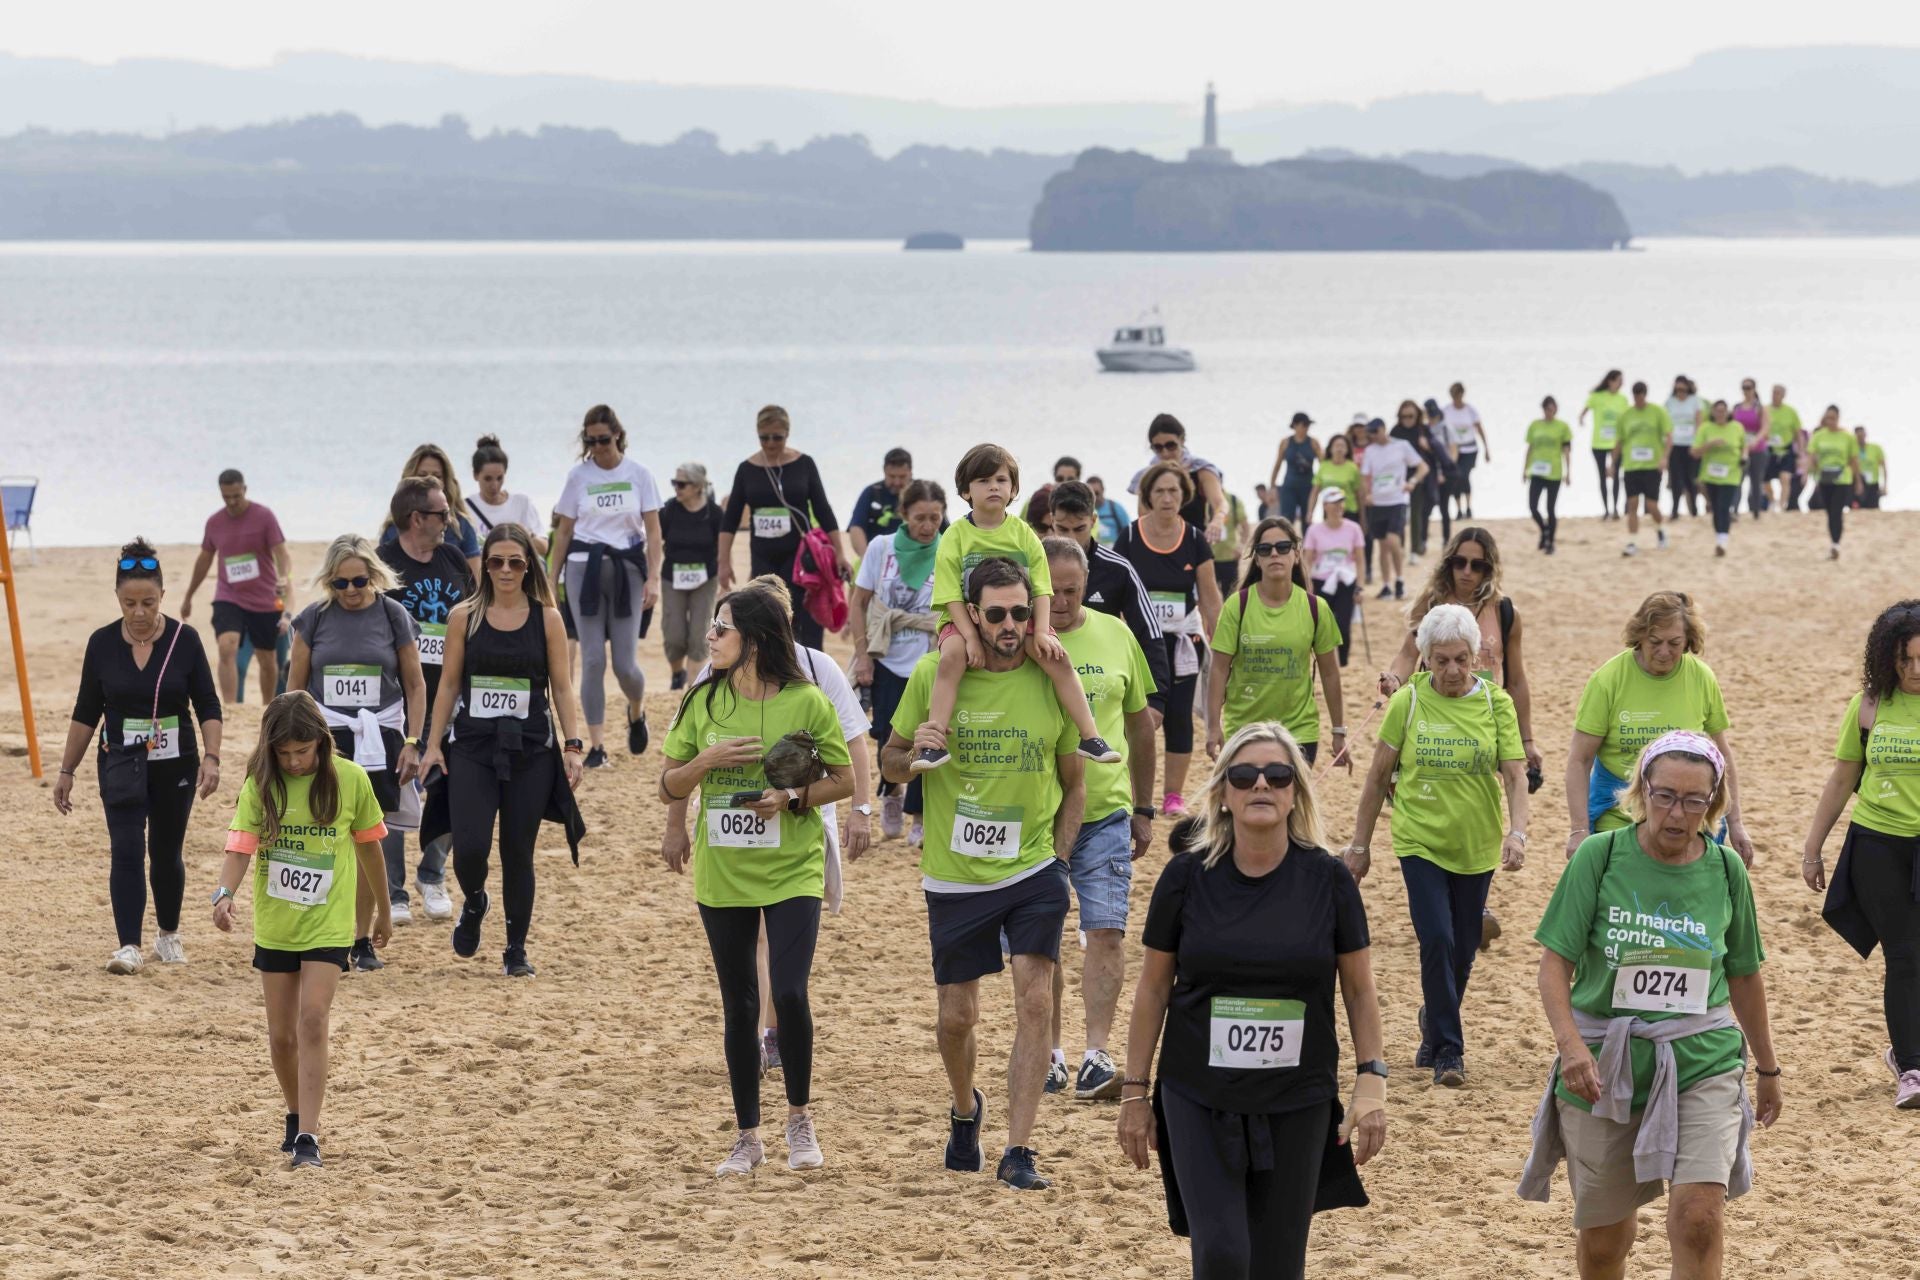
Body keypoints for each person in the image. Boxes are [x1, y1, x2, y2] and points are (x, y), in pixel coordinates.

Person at [1118, 724, 1386, 1280]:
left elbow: (1359, 989)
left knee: (1277, 1264)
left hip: (1298, 1095)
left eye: (1277, 774)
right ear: (1223, 793)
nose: (1260, 785)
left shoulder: (1330, 881)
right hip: (1197, 1089)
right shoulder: (1185, 878)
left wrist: (1371, 1080)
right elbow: (1151, 988)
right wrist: (1134, 1092)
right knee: (1220, 1254)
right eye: (1244, 776)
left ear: (1295, 791)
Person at [1520, 731, 1781, 1280]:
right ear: (1641, 791)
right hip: (1603, 1065)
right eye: (1664, 795)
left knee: (1698, 1220)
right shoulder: (1600, 855)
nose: (1677, 813)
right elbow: (1553, 963)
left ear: (1714, 803)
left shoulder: (1727, 870)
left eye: (1694, 800)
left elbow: (1745, 975)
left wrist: (1767, 1067)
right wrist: (1570, 1047)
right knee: (1604, 1244)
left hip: (1703, 1060)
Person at [879, 557, 1088, 1191]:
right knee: (957, 1017)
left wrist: (1060, 857)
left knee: (1033, 1002)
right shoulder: (934, 675)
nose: (1010, 625)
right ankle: (965, 1109)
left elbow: (1074, 781)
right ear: (971, 615)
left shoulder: (1051, 677)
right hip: (955, 874)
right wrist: (913, 757)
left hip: (1032, 870)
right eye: (995, 613)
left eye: (1021, 613)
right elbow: (887, 763)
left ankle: (1018, 1151)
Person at [660, 586, 855, 1176]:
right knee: (740, 1003)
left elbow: (843, 780)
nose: (711, 639)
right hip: (724, 872)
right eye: (712, 630)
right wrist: (705, 764)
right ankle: (747, 1137)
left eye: (721, 630)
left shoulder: (807, 701)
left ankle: (799, 1118)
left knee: (790, 992)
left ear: (756, 640)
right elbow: (670, 784)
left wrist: (793, 796)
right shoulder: (703, 700)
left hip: (792, 867)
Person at [210, 691, 393, 1169]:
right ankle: (293, 1116)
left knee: (312, 1018)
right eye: (284, 753)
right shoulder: (260, 784)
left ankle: (309, 1136)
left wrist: (383, 912)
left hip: (329, 924)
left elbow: (372, 848)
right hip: (277, 925)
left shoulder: (350, 780)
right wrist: (223, 894)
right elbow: (240, 846)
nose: (294, 761)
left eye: (302, 751)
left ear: (322, 744)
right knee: (280, 1037)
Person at [1348, 604, 1529, 1085]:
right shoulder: (1407, 702)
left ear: (1476, 658)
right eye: (1442, 660)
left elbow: (1514, 774)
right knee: (1438, 938)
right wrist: (1360, 846)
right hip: (1418, 839)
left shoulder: (1496, 704)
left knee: (1465, 947)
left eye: (1462, 659)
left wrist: (1518, 832)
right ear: (1425, 658)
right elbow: (1377, 777)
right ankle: (1450, 1051)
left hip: (1476, 843)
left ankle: (1433, 1022)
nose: (1452, 670)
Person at [705, 574, 873, 1075]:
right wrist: (677, 821)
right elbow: (689, 745)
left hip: (801, 816)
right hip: (730, 820)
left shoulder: (819, 669)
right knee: (754, 934)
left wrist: (861, 809)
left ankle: (777, 1029)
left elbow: (854, 743)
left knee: (784, 941)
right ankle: (760, 1035)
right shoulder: (716, 669)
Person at [418, 524, 587, 978]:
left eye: (515, 561)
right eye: (497, 561)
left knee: (518, 851)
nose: (506, 570)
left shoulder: (547, 618)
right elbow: (449, 685)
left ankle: (515, 948)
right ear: (485, 566)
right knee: (470, 848)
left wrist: (573, 745)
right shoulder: (463, 616)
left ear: (528, 565)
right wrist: (432, 745)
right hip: (472, 745)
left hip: (530, 747)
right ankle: (475, 902)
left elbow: (563, 688)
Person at [54, 539, 222, 974]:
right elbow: (86, 711)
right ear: (118, 599)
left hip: (176, 763)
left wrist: (212, 757)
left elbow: (208, 704)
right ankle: (127, 945)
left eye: (148, 601)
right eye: (130, 603)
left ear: (163, 596)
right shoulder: (102, 643)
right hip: (120, 763)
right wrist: (66, 770)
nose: (140, 612)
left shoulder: (187, 641)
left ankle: (168, 935)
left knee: (166, 850)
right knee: (126, 848)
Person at [910, 444, 1115, 774]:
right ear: (965, 491)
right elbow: (950, 595)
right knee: (950, 659)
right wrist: (972, 639)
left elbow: (1042, 587)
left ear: (1014, 489)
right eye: (984, 480)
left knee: (1059, 660)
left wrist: (1045, 631)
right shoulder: (955, 536)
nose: (994, 486)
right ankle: (934, 743)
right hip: (965, 619)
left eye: (1001, 480)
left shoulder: (1024, 534)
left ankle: (1090, 736)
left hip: (1017, 618)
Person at [1044, 537, 1159, 1100]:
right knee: (1039, 937)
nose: (1062, 601)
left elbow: (1140, 726)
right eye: (1053, 591)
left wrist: (1143, 807)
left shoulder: (1117, 634)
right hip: (1037, 812)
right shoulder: (1017, 641)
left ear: (1087, 584)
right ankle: (1050, 1054)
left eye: (1072, 590)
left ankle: (1095, 1053)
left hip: (1107, 809)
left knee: (1106, 930)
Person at [286, 535, 425, 967]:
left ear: (374, 576)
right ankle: (321, 936)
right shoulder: (312, 619)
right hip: (324, 736)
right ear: (329, 581)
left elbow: (416, 685)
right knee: (320, 838)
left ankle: (361, 940)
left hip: (378, 737)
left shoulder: (393, 615)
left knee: (367, 837)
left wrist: (413, 742)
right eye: (341, 583)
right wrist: (285, 747)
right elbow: (294, 690)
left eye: (360, 581)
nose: (351, 591)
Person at [1803, 601, 1920, 1107]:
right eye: (1904, 660)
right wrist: (1813, 848)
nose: (1915, 670)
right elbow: (1843, 777)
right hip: (1877, 840)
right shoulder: (1870, 705)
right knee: (1904, 953)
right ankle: (1912, 1068)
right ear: (1886, 658)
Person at [1566, 591, 1756, 866]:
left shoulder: (1701, 677)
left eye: (1675, 643)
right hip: (1620, 814)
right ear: (1639, 635)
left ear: (1689, 640)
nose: (1664, 652)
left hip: (1688, 818)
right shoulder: (1607, 680)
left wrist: (1735, 822)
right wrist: (1579, 829)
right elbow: (1579, 760)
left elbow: (1722, 757)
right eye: (1654, 642)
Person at [377, 476, 473, 922]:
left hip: (451, 699)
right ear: (417, 518)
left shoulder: (453, 558)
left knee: (451, 788)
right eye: (441, 513)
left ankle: (431, 874)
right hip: (398, 702)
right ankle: (394, 890)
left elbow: (476, 616)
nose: (448, 520)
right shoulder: (383, 566)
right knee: (396, 794)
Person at [550, 405, 664, 768]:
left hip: (627, 570)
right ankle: (596, 746)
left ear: (617, 434)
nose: (597, 446)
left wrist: (654, 577)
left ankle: (636, 710)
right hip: (585, 570)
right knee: (593, 659)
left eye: (603, 439)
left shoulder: (639, 474)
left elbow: (654, 531)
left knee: (625, 665)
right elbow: (564, 531)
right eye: (591, 440)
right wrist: (552, 579)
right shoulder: (578, 477)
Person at [1118, 461, 1223, 817]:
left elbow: (1209, 597)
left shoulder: (1193, 538)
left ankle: (1173, 796)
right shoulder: (1130, 537)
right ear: (1147, 495)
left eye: (1174, 491)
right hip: (1140, 644)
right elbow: (1116, 592)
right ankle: (1135, 792)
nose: (1167, 497)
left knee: (1179, 716)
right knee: (1138, 717)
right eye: (1160, 491)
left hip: (1183, 641)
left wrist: (1220, 641)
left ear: (1184, 496)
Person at [850, 479, 945, 845]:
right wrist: (863, 657)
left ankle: (920, 816)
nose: (927, 526)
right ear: (904, 514)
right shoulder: (881, 547)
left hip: (929, 658)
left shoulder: (947, 549)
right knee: (887, 736)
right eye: (920, 517)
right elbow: (859, 603)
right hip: (886, 656)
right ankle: (891, 794)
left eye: (934, 518)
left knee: (929, 737)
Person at [1206, 517, 1345, 766]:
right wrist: (1213, 726)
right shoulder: (1237, 606)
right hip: (1244, 729)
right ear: (1257, 559)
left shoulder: (1316, 608)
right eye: (1264, 549)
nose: (1274, 554)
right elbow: (1218, 669)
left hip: (1299, 730)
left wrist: (1338, 731)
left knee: (1291, 804)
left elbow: (1331, 673)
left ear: (1296, 554)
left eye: (1282, 547)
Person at [719, 405, 850, 649]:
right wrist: (723, 562)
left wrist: (840, 553)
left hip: (801, 556)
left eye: (777, 437)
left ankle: (810, 674)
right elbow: (730, 520)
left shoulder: (804, 464)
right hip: (763, 557)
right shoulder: (746, 469)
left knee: (804, 619)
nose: (770, 443)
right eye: (764, 437)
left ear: (787, 434)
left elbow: (824, 510)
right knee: (767, 618)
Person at [1043, 480, 1172, 718]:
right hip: (1043, 678)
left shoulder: (1118, 569)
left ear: (1093, 521)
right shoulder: (1032, 565)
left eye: (1079, 529)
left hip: (1099, 682)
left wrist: (1156, 700)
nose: (1071, 538)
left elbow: (1149, 631)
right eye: (1063, 529)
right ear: (1051, 520)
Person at [182, 469, 293, 705]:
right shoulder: (214, 522)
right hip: (228, 595)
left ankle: (267, 706)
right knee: (226, 645)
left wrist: (284, 577)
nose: (232, 502)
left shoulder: (264, 517)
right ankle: (231, 707)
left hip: (264, 598)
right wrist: (189, 595)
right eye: (226, 497)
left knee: (267, 658)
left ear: (245, 489)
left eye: (236, 496)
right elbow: (204, 560)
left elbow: (282, 554)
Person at [661, 461, 727, 691]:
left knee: (700, 633)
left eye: (682, 484)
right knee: (674, 634)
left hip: (705, 579)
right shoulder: (669, 509)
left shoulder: (714, 513)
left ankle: (693, 688)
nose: (677, 488)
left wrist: (724, 572)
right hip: (673, 578)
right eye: (674, 483)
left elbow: (723, 545)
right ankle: (677, 673)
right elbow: (654, 537)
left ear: (698, 486)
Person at [379, 444, 483, 578]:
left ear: (445, 481)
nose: (429, 480)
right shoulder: (392, 530)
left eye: (437, 476)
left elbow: (477, 583)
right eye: (422, 475)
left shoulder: (462, 527)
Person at [1358, 417, 1428, 601]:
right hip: (1378, 502)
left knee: (1393, 540)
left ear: (1383, 429)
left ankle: (1400, 580)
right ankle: (1387, 585)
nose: (1372, 436)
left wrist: (1412, 482)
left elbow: (1422, 467)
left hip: (1397, 500)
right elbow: (1365, 476)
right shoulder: (1370, 451)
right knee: (1382, 545)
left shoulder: (1401, 446)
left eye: (1375, 432)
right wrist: (1367, 495)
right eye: (1370, 433)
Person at [1129, 414, 1228, 543]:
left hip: (1195, 543)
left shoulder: (1200, 470)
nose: (1165, 453)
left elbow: (1220, 503)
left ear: (1182, 440)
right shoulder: (1147, 476)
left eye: (1170, 445)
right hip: (1159, 544)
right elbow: (1143, 516)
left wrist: (1217, 520)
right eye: (1158, 448)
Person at [1301, 488, 1363, 667]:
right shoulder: (1314, 530)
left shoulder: (1354, 528)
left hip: (1345, 581)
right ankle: (1321, 660)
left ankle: (1342, 663)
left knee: (1343, 624)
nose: (1339, 506)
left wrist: (1359, 586)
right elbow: (1307, 559)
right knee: (1321, 624)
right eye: (1335, 502)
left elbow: (1359, 560)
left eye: (1341, 502)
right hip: (1321, 581)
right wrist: (1307, 584)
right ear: (1325, 506)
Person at [1613, 381, 1672, 557]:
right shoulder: (1626, 415)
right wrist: (1612, 463)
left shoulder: (1657, 412)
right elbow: (1619, 440)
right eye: (1636, 396)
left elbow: (1669, 436)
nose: (1638, 399)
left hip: (1652, 465)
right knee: (1632, 504)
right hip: (1631, 465)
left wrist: (1664, 458)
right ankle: (1632, 541)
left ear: (1645, 395)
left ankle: (1660, 530)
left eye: (1641, 396)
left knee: (1651, 505)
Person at [465, 435, 548, 557]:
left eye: (499, 478)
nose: (494, 485)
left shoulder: (522, 503)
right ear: (475, 475)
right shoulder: (465, 507)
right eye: (488, 479)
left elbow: (543, 548)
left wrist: (526, 535)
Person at [1806, 405, 1864, 560]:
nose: (1830, 421)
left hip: (1842, 478)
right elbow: (1811, 455)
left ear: (1838, 418)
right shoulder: (1818, 436)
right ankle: (1833, 541)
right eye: (1828, 418)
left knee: (1836, 511)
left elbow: (1853, 460)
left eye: (1833, 418)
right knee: (1829, 511)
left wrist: (1858, 480)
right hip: (1824, 478)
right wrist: (1809, 472)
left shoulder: (1847, 437)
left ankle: (1835, 544)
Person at [1692, 400, 1747, 558]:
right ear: (1713, 412)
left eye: (1724, 411)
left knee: (1724, 506)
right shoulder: (1706, 428)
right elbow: (1695, 452)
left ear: (1728, 412)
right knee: (1715, 507)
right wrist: (1710, 444)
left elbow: (1744, 445)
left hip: (1731, 474)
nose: (1721, 414)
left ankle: (1723, 540)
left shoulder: (1737, 427)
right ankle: (1719, 538)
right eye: (1718, 411)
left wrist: (1744, 456)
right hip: (1711, 475)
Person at [1524, 396, 1574, 554]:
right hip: (1537, 471)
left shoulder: (1562, 426)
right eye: (1547, 409)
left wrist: (1568, 472)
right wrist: (1524, 469)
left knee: (1550, 508)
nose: (1549, 413)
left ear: (1556, 410)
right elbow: (1530, 448)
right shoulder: (1535, 425)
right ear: (1543, 409)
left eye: (1552, 410)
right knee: (1532, 506)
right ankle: (1544, 529)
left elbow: (1566, 451)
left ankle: (1550, 542)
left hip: (1554, 472)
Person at [848, 447, 915, 561]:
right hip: (877, 558)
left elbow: (944, 529)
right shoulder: (871, 493)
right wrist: (866, 559)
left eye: (902, 477)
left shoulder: (922, 493)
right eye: (892, 476)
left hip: (914, 560)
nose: (897, 482)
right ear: (884, 471)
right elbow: (856, 528)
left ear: (910, 472)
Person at [1315, 433, 1365, 584]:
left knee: (1350, 549)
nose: (1339, 449)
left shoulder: (1352, 467)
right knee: (1330, 544)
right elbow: (1315, 490)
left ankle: (1352, 579)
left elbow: (1359, 493)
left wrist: (1363, 517)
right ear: (1330, 448)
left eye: (1343, 446)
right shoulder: (1324, 466)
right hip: (1328, 511)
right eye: (1336, 445)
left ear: (1347, 449)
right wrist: (1310, 511)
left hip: (1349, 510)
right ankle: (1330, 574)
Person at [1405, 402, 1451, 561]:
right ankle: (1421, 541)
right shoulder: (1419, 431)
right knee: (1422, 510)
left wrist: (1447, 470)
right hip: (1423, 476)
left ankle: (1445, 540)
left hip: (1437, 475)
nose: (1431, 418)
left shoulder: (1440, 429)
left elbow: (1445, 452)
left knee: (1440, 507)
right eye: (1428, 415)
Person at [1580, 370, 1627, 520]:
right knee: (1602, 477)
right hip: (1599, 443)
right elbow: (1585, 409)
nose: (1621, 383)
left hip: (1616, 443)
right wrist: (1581, 418)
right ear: (1610, 381)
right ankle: (1606, 509)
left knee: (1615, 474)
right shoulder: (1597, 397)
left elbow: (1627, 419)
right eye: (1619, 380)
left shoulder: (1622, 399)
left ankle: (1615, 510)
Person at [1442, 382, 1491, 519]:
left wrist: (1486, 448)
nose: (1455, 398)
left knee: (1463, 475)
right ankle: (1459, 509)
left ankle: (1469, 507)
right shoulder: (1446, 411)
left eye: (1457, 395)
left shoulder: (1470, 410)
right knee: (1455, 478)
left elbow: (1479, 429)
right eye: (1453, 395)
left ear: (1462, 394)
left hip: (1469, 449)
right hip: (1453, 449)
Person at [1267, 412, 1322, 530]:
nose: (1306, 428)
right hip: (1289, 487)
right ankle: (1286, 546)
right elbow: (1277, 465)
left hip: (1308, 487)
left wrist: (1321, 484)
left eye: (1308, 425)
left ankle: (1308, 547)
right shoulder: (1286, 443)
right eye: (1304, 425)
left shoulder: (1313, 443)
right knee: (1286, 519)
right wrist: (1272, 486)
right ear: (1295, 426)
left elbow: (1324, 465)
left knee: (1307, 521)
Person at [1665, 376, 1704, 519]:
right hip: (1675, 445)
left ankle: (1694, 509)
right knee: (1675, 478)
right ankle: (1674, 509)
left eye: (1683, 389)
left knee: (1691, 478)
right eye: (1677, 389)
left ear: (1688, 388)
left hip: (1690, 445)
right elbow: (1666, 424)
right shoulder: (1670, 402)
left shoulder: (1694, 401)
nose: (1680, 392)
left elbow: (1699, 422)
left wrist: (1697, 443)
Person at [1730, 379, 1770, 517]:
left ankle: (1756, 510)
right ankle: (1734, 509)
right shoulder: (1736, 408)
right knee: (1737, 480)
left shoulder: (1760, 408)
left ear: (1754, 388)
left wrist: (1755, 440)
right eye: (1744, 388)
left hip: (1758, 449)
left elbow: (1765, 428)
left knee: (1756, 480)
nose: (1746, 390)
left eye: (1749, 387)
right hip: (1741, 450)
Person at [1765, 384, 1804, 514]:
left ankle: (1782, 505)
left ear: (1783, 395)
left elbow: (1798, 433)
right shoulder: (1765, 410)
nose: (1775, 395)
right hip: (1769, 449)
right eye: (1773, 392)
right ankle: (1772, 500)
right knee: (1764, 480)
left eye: (1778, 393)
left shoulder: (1791, 412)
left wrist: (1801, 452)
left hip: (1786, 449)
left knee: (1785, 478)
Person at [1208, 488, 1249, 596]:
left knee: (1231, 596)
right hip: (1209, 559)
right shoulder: (1203, 501)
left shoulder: (1233, 501)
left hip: (1230, 558)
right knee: (1210, 596)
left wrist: (1241, 546)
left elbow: (1245, 527)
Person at [1088, 475, 1129, 546]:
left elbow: (1128, 532)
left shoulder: (1116, 508)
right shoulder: (1083, 511)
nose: (1094, 497)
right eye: (1091, 494)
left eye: (1097, 493)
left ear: (1103, 490)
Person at [1855, 426, 1888, 509]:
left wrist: (1885, 485)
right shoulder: (1853, 449)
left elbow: (1883, 467)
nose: (1860, 438)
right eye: (1858, 436)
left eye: (1862, 435)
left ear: (1865, 435)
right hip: (1857, 484)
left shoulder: (1875, 448)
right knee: (1856, 509)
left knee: (1873, 508)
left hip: (1872, 485)